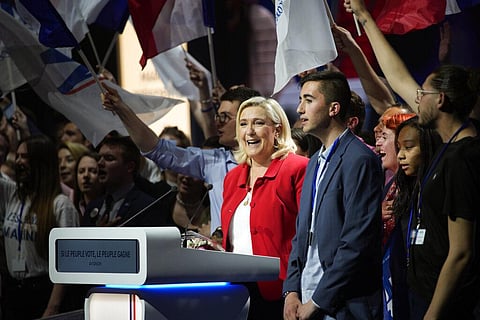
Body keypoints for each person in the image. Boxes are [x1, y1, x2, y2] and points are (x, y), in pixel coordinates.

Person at [345, 1, 480, 318]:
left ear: (442, 100)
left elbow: (461, 252)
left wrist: (433, 314)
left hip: (450, 306)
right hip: (426, 295)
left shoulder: (465, 156)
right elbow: (397, 78)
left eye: (424, 94)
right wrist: (364, 18)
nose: (417, 97)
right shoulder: (444, 145)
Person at [283, 70, 383, 320]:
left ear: (333, 108)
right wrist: (291, 291)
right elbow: (302, 233)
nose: (299, 109)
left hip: (342, 306)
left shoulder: (360, 159)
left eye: (308, 100)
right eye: (300, 100)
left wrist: (318, 301)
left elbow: (356, 242)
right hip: (306, 298)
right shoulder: (315, 160)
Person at [100, 82, 260, 235]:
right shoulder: (213, 162)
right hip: (226, 260)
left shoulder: (277, 163)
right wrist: (121, 109)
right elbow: (155, 149)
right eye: (218, 117)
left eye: (225, 117)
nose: (218, 123)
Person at [221, 96, 308, 319]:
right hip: (235, 290)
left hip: (282, 292)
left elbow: (307, 234)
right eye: (243, 123)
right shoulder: (233, 177)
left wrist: (294, 289)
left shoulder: (296, 168)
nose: (249, 131)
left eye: (258, 123)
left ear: (277, 130)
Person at [0, 135, 79, 319]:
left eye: (25, 157)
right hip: (13, 292)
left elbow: (67, 263)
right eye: (17, 156)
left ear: (41, 162)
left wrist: (52, 308)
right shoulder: (12, 194)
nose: (19, 162)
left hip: (43, 293)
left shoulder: (61, 205)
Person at [82, 136, 168, 227]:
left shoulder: (146, 207)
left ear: (129, 167)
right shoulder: (93, 206)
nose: (100, 163)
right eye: (99, 158)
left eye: (109, 158)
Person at [74, 151, 104, 217]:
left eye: (93, 171)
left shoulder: (107, 208)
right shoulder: (74, 207)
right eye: (81, 171)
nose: (86, 175)